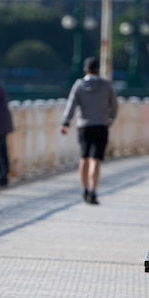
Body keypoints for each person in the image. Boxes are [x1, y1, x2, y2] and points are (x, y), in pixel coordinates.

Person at [59, 57, 118, 205]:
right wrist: (110, 119)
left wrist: (66, 122)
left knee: (84, 158)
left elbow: (71, 104)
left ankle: (84, 189)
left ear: (85, 70)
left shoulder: (79, 85)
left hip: (84, 126)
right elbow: (114, 105)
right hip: (101, 125)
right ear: (99, 70)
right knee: (95, 160)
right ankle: (93, 191)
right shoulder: (106, 85)